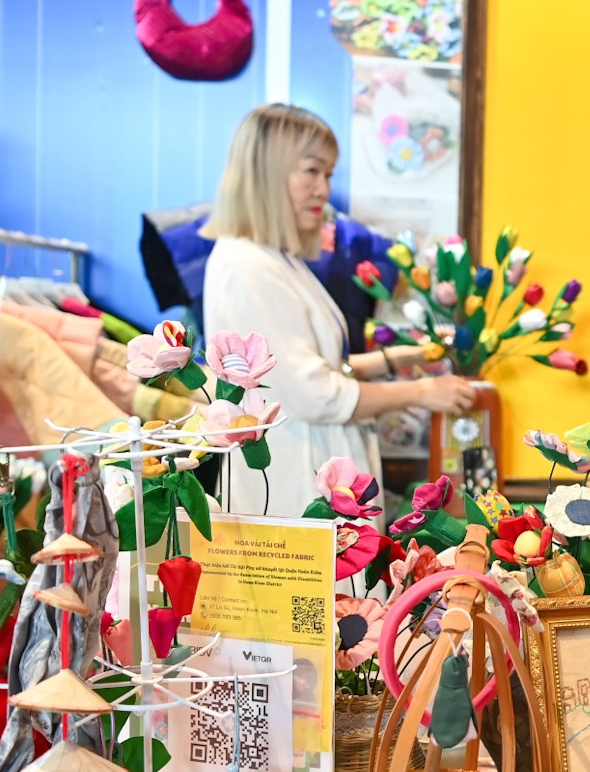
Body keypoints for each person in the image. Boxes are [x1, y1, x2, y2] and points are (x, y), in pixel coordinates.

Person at [202, 104, 475, 516]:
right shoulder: (249, 268)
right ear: (267, 172)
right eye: (311, 171)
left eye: (328, 174)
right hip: (295, 484)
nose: (323, 189)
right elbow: (314, 394)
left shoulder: (278, 260)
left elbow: (309, 367)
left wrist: (394, 358)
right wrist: (421, 392)